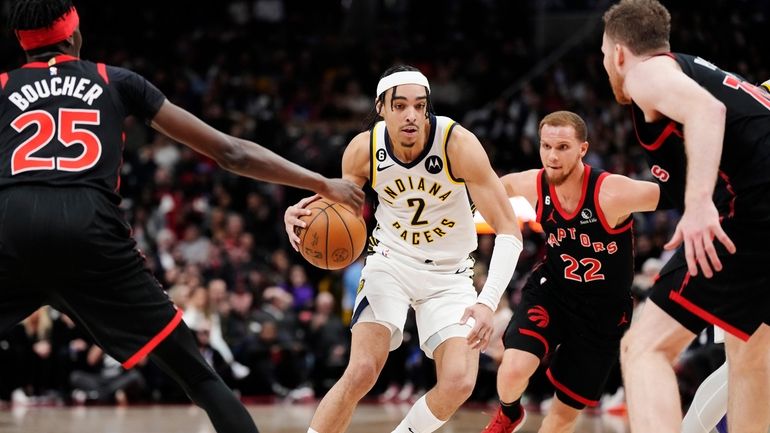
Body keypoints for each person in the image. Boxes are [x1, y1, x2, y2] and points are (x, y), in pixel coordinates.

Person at [1, 2, 364, 433]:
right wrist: (321, 183)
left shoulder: (3, 87)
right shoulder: (114, 80)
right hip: (91, 233)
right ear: (75, 35)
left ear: (22, 45)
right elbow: (231, 152)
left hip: (11, 230)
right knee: (198, 378)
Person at [284, 65, 523, 433]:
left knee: (459, 382)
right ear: (382, 107)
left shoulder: (457, 145)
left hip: (450, 274)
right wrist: (298, 216)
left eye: (419, 105)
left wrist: (488, 302)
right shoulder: (363, 149)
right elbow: (339, 212)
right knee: (362, 370)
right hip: (390, 263)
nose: (411, 115)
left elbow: (509, 230)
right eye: (400, 105)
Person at [601, 1, 770, 432]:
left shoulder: (648, 72)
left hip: (757, 203)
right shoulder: (700, 71)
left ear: (619, 52)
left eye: (604, 55)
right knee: (750, 353)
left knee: (644, 348)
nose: (606, 66)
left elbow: (705, 112)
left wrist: (698, 208)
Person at [479, 111, 659, 433]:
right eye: (546, 146)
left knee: (560, 419)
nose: (552, 155)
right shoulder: (533, 184)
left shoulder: (611, 192)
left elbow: (669, 194)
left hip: (604, 311)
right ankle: (509, 413)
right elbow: (491, 186)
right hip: (555, 290)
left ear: (583, 149)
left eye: (563, 147)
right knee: (512, 370)